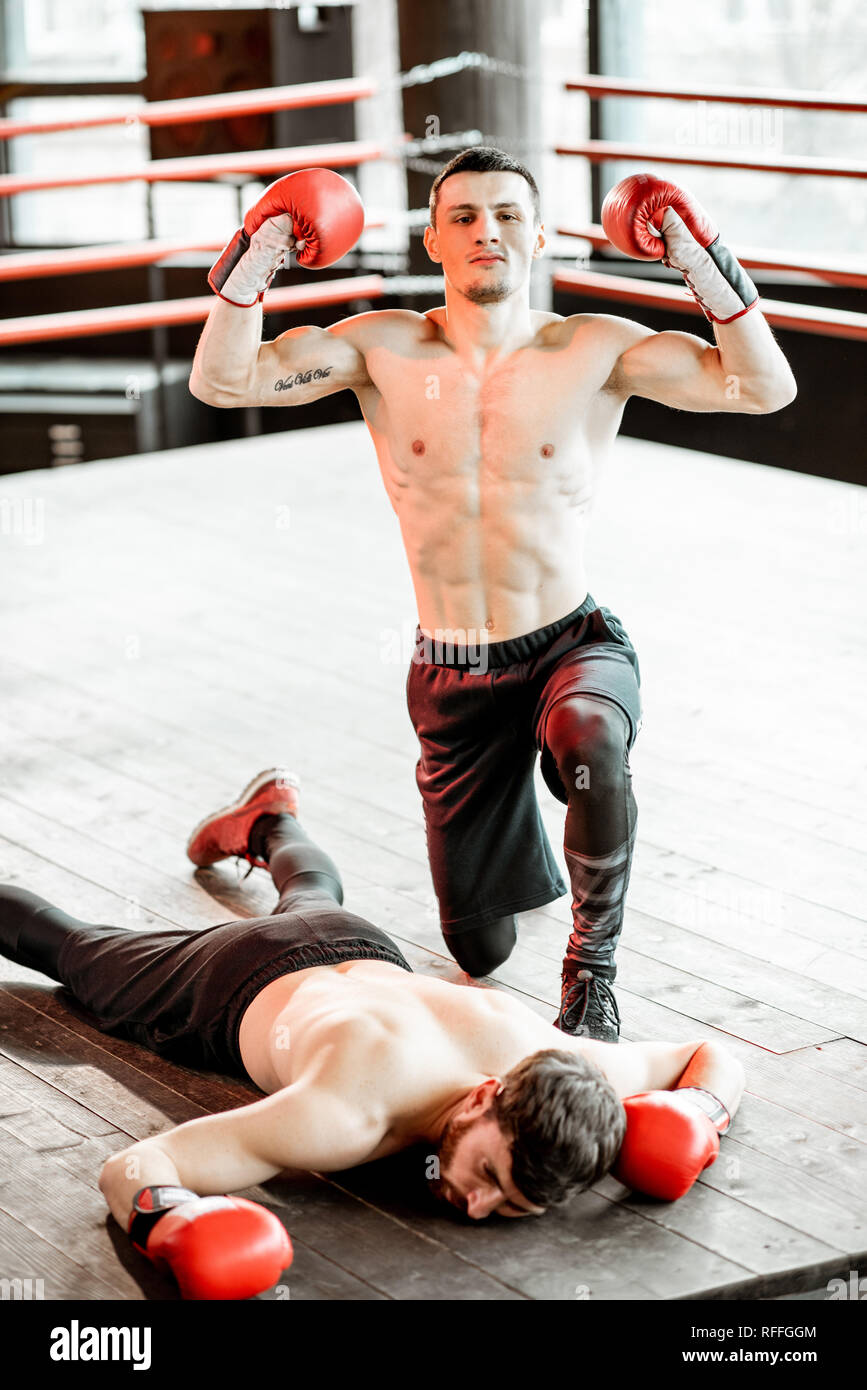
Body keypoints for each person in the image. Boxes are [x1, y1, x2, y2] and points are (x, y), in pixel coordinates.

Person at [190, 150, 797, 1043]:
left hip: (567, 644)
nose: (488, 231)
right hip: (454, 672)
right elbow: (223, 380)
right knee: (477, 951)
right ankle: (273, 826)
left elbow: (762, 387)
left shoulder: (591, 348)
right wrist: (259, 247)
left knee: (590, 735)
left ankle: (592, 977)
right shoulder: (382, 346)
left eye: (509, 215)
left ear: (540, 235)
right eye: (465, 216)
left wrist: (704, 259)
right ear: (434, 238)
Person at [0, 771, 744, 1285]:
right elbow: (133, 1168)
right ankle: (265, 826)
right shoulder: (343, 1117)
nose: (478, 1205)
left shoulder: (562, 1066)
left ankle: (270, 820)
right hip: (227, 979)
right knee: (68, 949)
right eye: (488, 1175)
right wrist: (170, 1223)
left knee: (311, 893)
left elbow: (709, 1053)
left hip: (352, 938)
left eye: (510, 1205)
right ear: (487, 1096)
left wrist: (696, 1111)